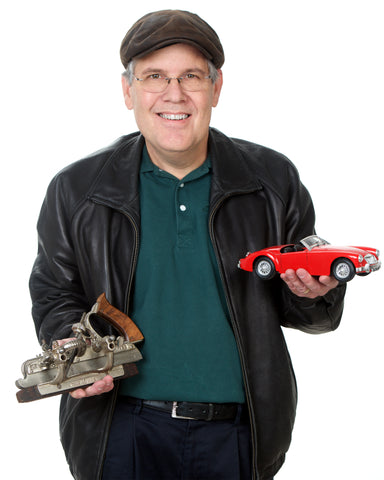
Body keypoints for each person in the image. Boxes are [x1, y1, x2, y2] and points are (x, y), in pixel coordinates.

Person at [29, 9, 346, 480]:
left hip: (240, 432)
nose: (173, 94)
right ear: (127, 91)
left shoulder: (273, 180)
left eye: (191, 76)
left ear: (216, 89)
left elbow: (309, 311)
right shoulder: (78, 189)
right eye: (154, 76)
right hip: (119, 431)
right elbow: (55, 290)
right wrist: (72, 348)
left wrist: (317, 295)